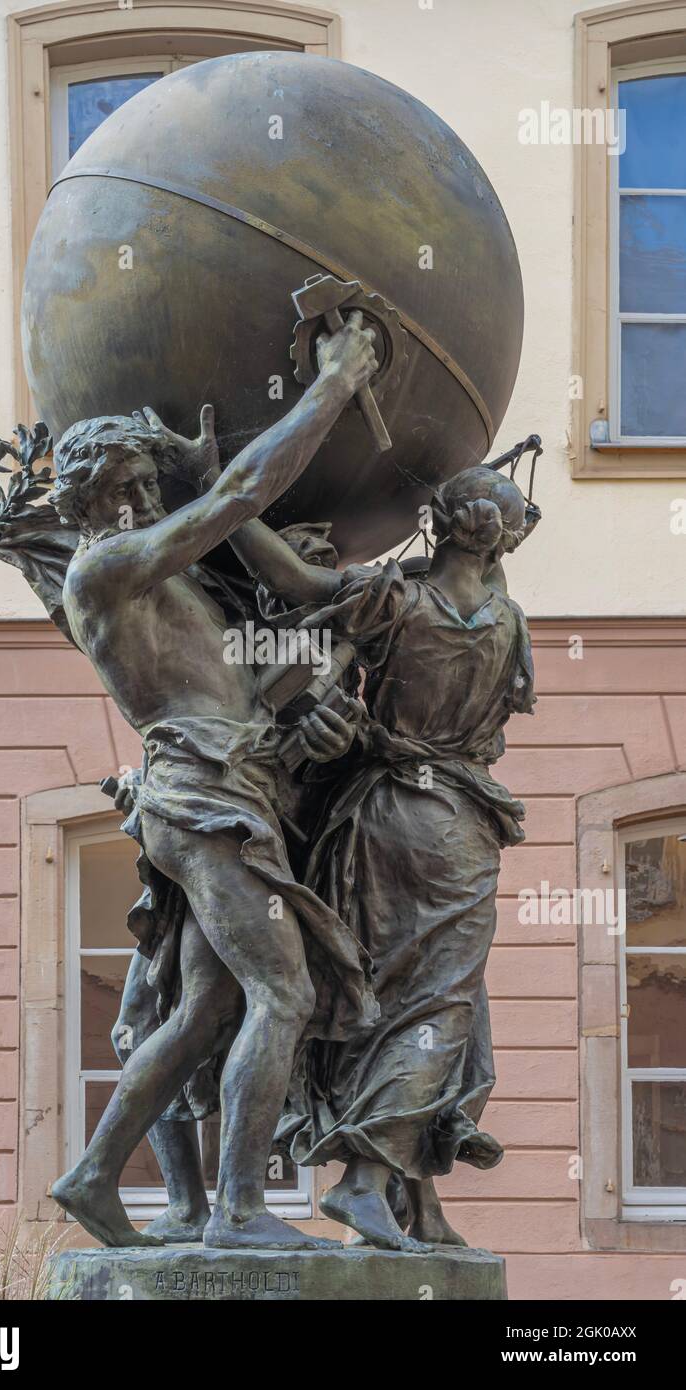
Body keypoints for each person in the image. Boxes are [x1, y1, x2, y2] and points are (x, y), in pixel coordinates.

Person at [49, 315, 381, 1251]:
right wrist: (333, 387)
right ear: (107, 493)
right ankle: (238, 1211)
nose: (153, 497)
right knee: (285, 996)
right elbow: (239, 496)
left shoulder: (152, 570)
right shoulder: (107, 569)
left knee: (208, 1008)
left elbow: (265, 548)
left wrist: (332, 598)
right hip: (205, 803)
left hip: (218, 796)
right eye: (142, 485)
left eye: (157, 483)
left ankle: (92, 1177)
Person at [208, 462, 539, 1250]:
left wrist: (221, 498)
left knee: (401, 1002)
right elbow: (490, 735)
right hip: (452, 824)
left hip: (381, 815)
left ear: (442, 525)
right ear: (505, 539)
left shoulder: (397, 597)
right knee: (440, 1005)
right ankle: (362, 1182)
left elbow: (292, 582)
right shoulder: (509, 620)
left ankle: (413, 1202)